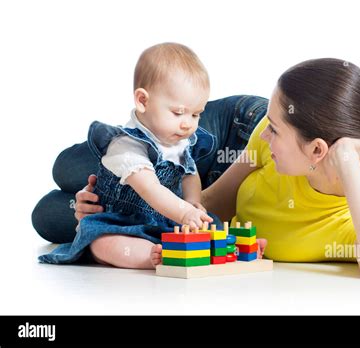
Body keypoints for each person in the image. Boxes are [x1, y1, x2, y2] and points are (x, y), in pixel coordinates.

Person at [35, 58, 360, 280]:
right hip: (229, 132)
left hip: (288, 142)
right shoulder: (265, 137)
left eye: (274, 130)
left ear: (319, 150)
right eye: (270, 128)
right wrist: (133, 201)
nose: (265, 137)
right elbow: (209, 203)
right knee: (68, 168)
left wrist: (348, 161)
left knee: (50, 216)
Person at [38, 43, 266, 269]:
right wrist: (185, 212)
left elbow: (189, 172)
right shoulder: (126, 145)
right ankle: (152, 256)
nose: (189, 124)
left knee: (211, 226)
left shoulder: (182, 140)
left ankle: (235, 249)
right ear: (143, 101)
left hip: (164, 218)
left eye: (197, 114)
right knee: (102, 241)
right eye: (178, 113)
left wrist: (193, 202)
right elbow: (149, 188)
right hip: (120, 220)